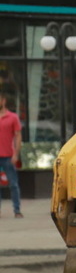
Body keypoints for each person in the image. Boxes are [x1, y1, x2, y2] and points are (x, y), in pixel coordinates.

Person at [0, 89, 22, 218]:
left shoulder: (13, 117)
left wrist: (16, 154)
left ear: (3, 101)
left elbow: (18, 136)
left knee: (13, 184)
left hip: (8, 156)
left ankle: (17, 210)